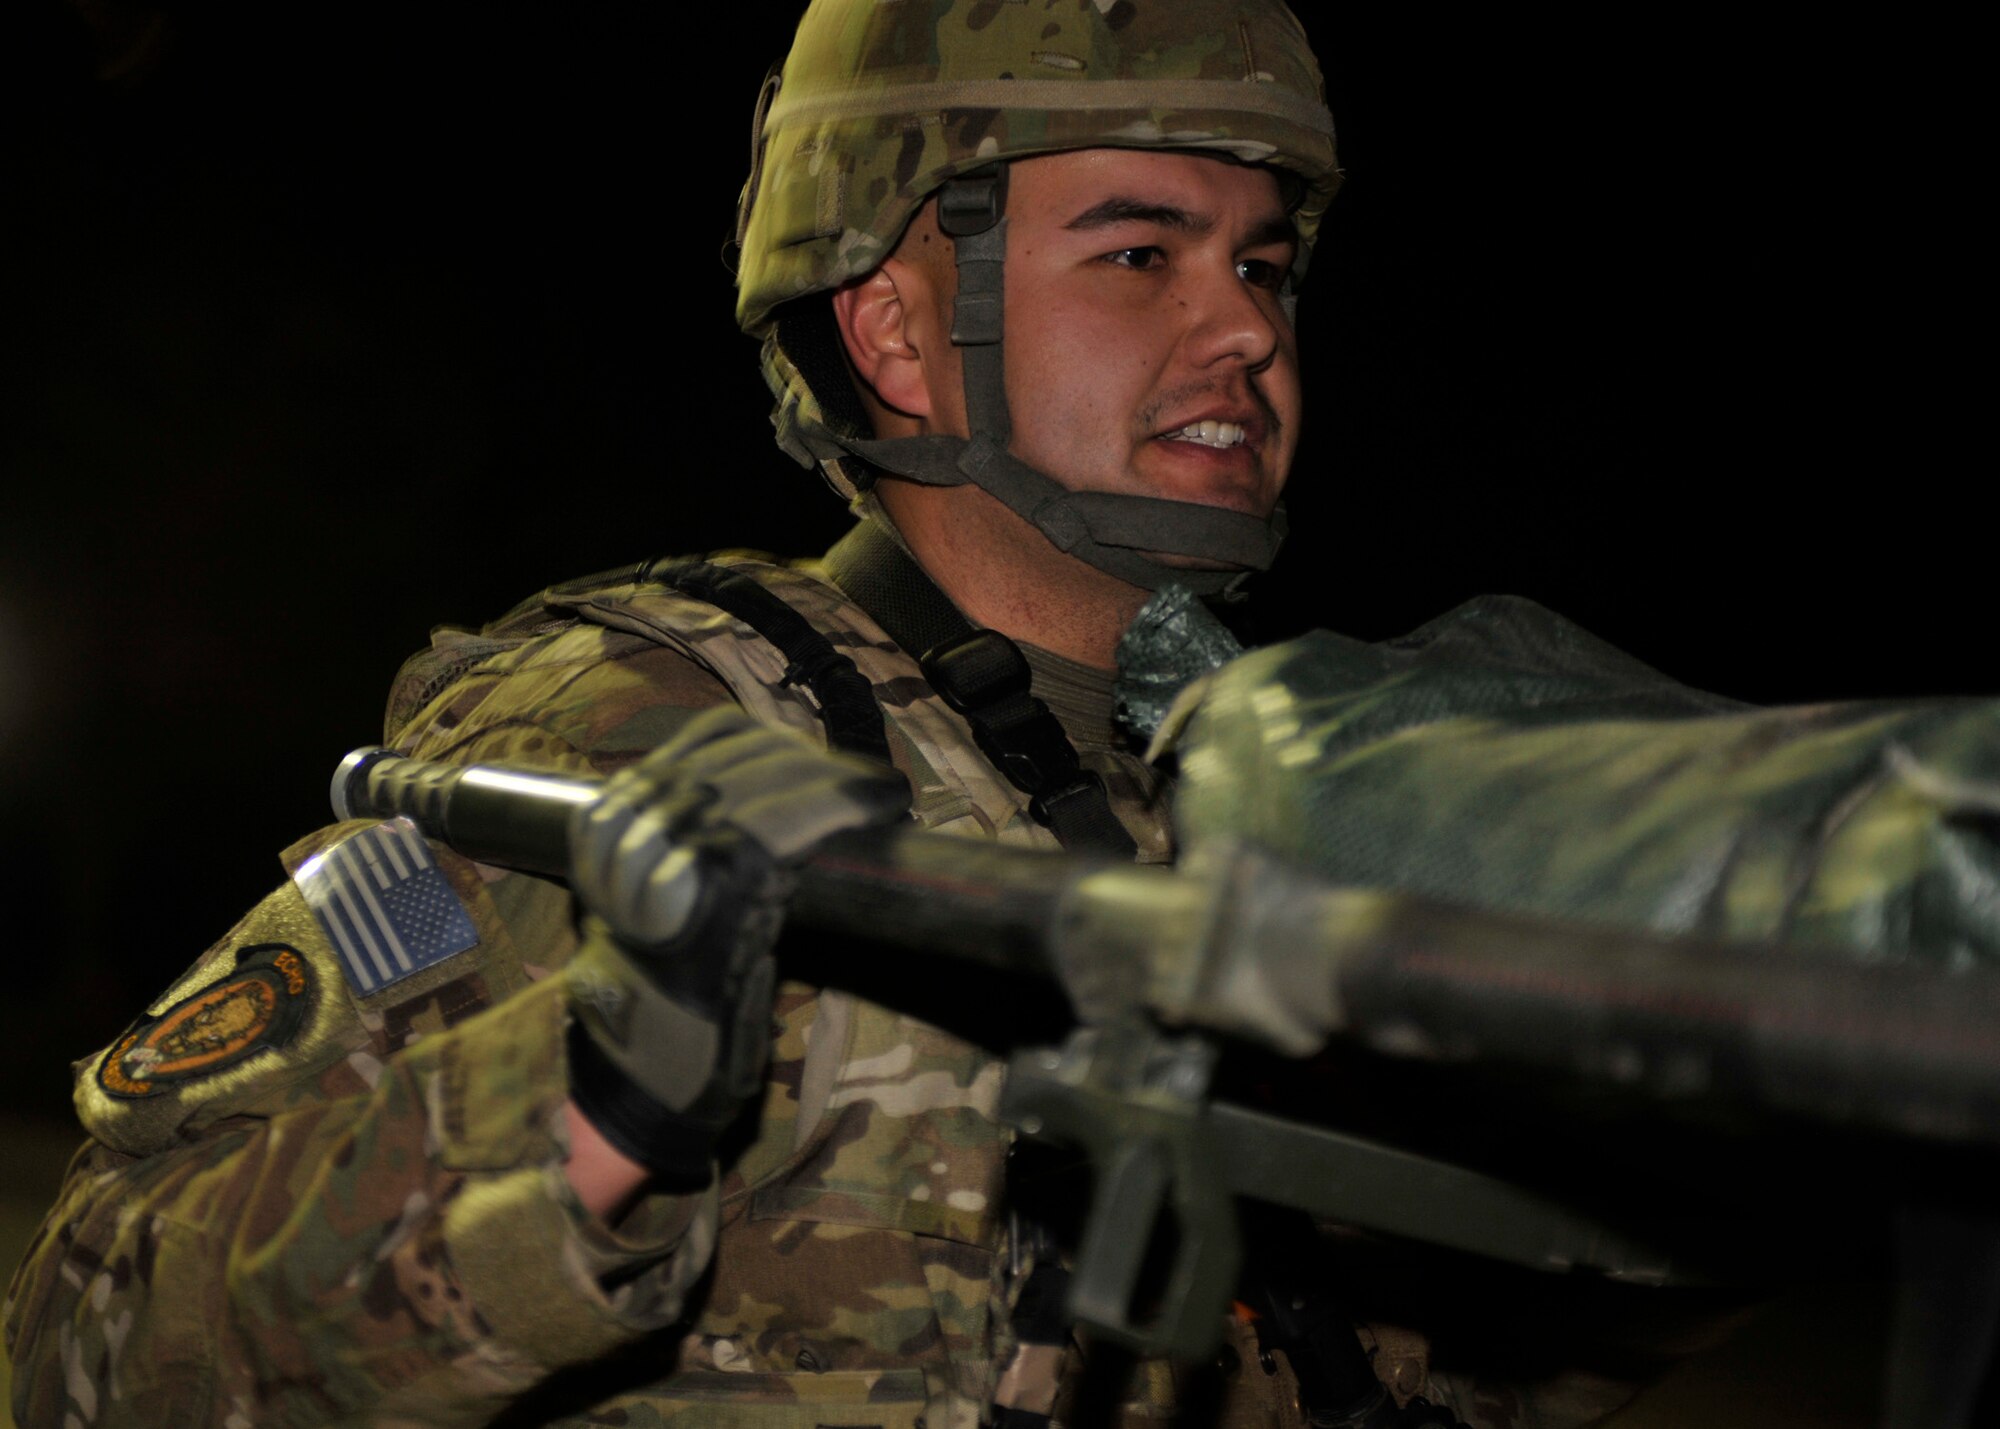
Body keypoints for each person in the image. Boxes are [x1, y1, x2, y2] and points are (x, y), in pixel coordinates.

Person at [5, 3, 1590, 1425]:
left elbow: (1423, 1367)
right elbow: (91, 1333)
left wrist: (1678, 1144)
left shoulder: (1268, 795)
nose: (1249, 326)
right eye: (1139, 251)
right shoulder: (616, 732)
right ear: (899, 331)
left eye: (1262, 262)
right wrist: (598, 1092)